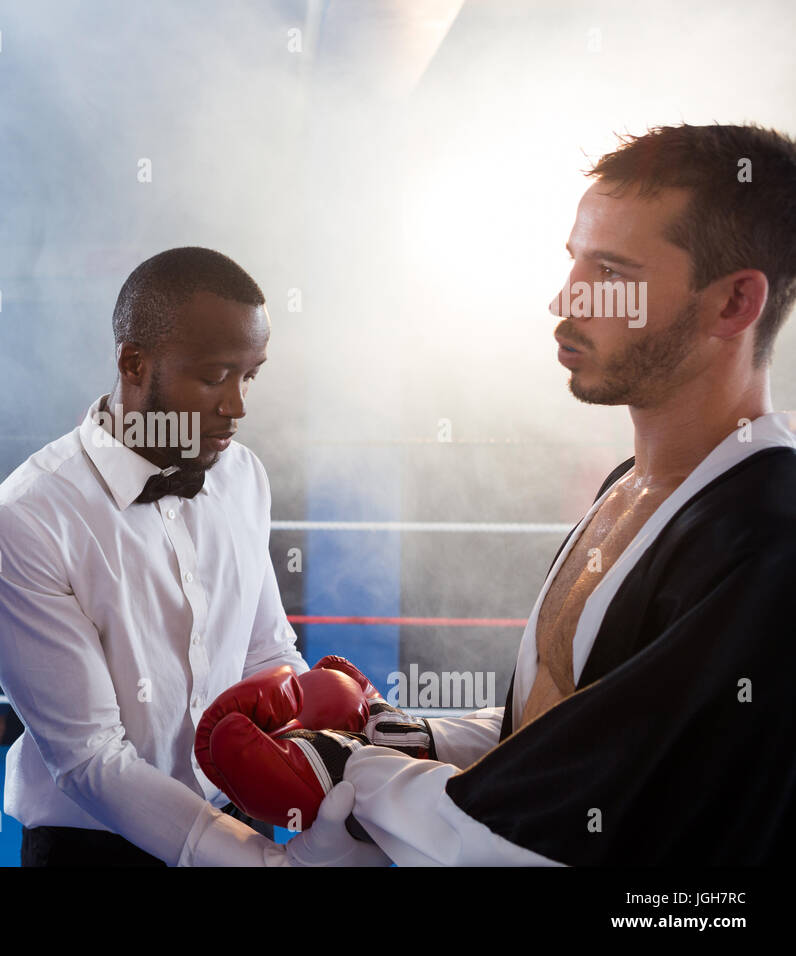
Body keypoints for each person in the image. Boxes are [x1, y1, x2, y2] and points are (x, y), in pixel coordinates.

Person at [200, 122, 796, 865]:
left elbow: (583, 811)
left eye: (610, 274)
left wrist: (350, 770)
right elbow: (555, 735)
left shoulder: (766, 535)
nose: (563, 299)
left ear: (735, 304)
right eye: (572, 261)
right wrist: (411, 737)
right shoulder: (632, 489)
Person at [0, 247, 382, 866]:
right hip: (94, 847)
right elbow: (89, 758)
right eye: (214, 377)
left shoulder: (241, 476)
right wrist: (262, 863)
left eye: (250, 376)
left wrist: (340, 767)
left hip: (240, 821)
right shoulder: (24, 521)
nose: (237, 406)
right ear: (135, 363)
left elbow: (267, 652)